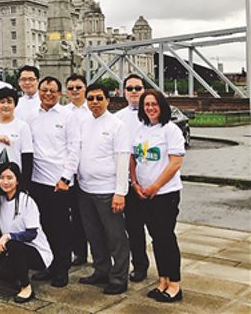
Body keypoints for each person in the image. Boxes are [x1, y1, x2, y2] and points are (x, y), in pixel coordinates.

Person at [131, 90, 186, 303]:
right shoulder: (141, 129)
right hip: (143, 194)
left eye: (154, 104)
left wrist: (155, 186)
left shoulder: (171, 130)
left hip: (164, 194)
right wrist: (135, 183)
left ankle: (174, 285)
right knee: (155, 239)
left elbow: (175, 163)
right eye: (146, 105)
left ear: (162, 106)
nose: (150, 108)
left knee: (166, 238)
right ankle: (163, 280)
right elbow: (133, 158)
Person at [76, 84, 131, 295]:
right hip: (85, 189)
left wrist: (120, 192)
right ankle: (101, 270)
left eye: (99, 98)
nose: (95, 102)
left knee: (115, 237)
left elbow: (122, 159)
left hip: (108, 191)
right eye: (90, 98)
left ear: (108, 100)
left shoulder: (117, 125)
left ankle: (119, 277)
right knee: (94, 234)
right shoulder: (83, 123)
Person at [28, 76, 80, 288]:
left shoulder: (68, 116)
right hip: (37, 181)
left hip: (60, 183)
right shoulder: (32, 116)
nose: (48, 94)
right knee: (44, 227)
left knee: (61, 229)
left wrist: (66, 177)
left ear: (60, 93)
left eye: (52, 91)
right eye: (44, 90)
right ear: (39, 91)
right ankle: (49, 265)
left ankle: (62, 269)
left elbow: (74, 149)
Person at [0, 162, 52, 303]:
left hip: (37, 253)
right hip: (13, 249)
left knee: (12, 244)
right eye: (2, 178)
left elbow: (31, 234)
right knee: (5, 275)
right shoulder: (0, 201)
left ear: (17, 180)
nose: (5, 182)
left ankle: (26, 288)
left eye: (9, 178)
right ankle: (14, 272)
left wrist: (8, 236)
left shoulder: (27, 201)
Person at [116, 74, 149, 282]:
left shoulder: (152, 113)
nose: (134, 92)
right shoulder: (118, 118)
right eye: (130, 88)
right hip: (129, 181)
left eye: (138, 88)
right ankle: (139, 265)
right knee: (133, 228)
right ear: (124, 92)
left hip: (151, 180)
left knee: (158, 230)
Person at [0, 87, 34, 185]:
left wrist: (24, 185)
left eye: (9, 102)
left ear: (15, 105)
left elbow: (27, 158)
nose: (5, 105)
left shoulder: (23, 126)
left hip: (13, 180)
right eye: (2, 102)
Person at [64, 73, 90, 267]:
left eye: (78, 87)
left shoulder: (93, 110)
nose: (74, 91)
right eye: (71, 88)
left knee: (91, 217)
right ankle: (79, 252)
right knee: (74, 216)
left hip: (89, 170)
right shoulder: (64, 112)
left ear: (85, 88)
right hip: (70, 172)